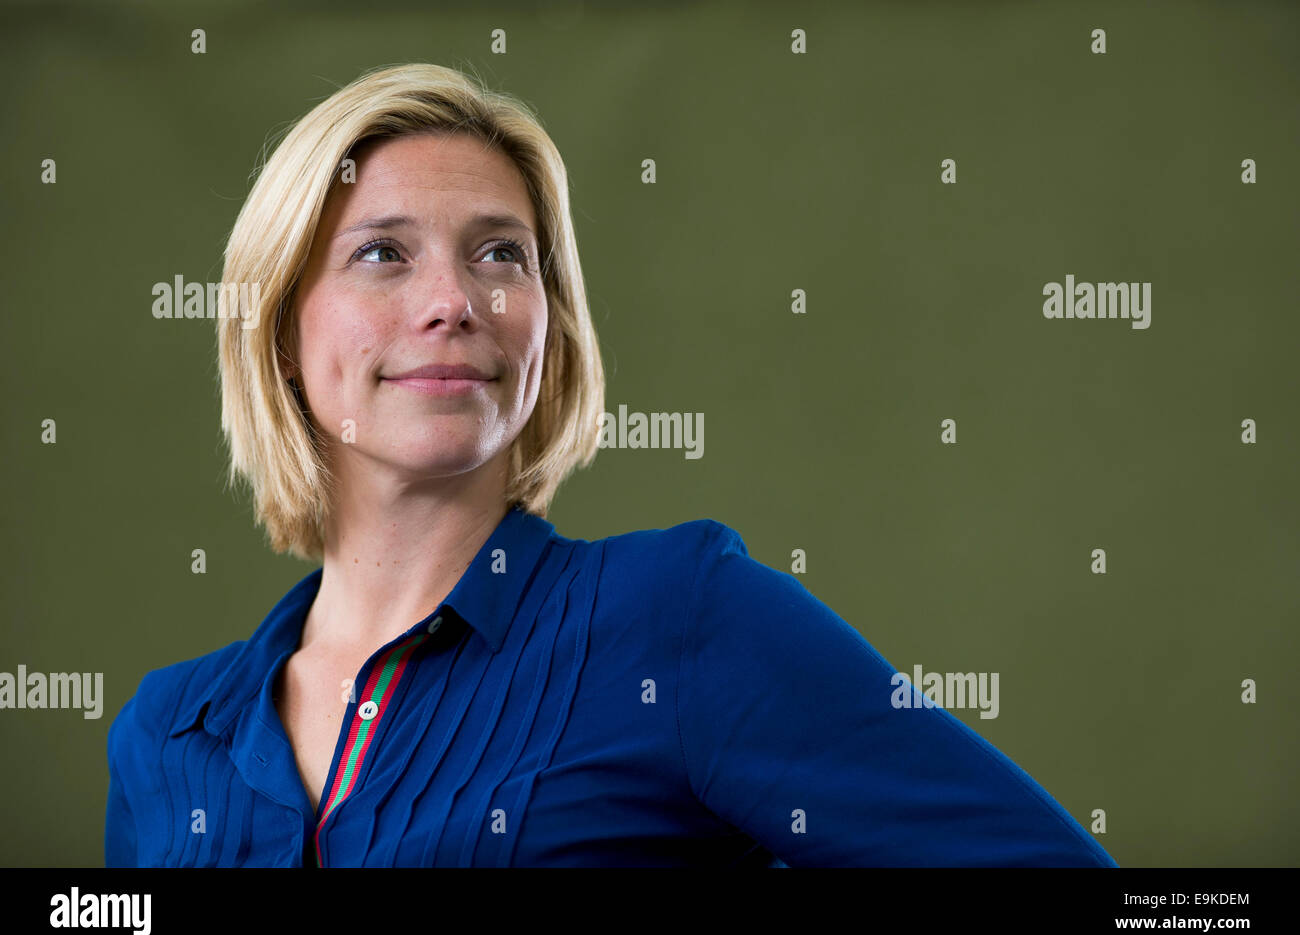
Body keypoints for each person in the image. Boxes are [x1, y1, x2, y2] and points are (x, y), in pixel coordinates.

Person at [104, 63, 1117, 868]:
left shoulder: (678, 618)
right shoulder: (166, 735)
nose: (453, 299)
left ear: (551, 325)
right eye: (383, 254)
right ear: (280, 328)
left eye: (502, 254)